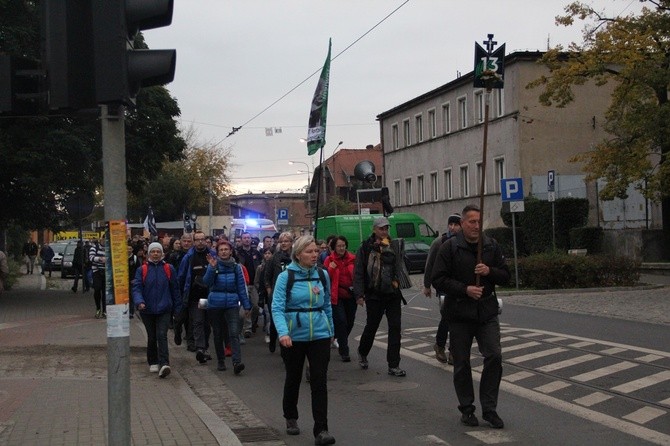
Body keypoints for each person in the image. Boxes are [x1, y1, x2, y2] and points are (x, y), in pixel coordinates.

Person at [431, 205, 510, 429]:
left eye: (479, 222)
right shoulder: (450, 247)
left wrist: (489, 272)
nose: (476, 226)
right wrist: (465, 289)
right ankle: (467, 408)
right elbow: (439, 278)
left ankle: (490, 409)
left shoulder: (491, 246)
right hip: (459, 314)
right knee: (462, 362)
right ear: (463, 223)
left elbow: (506, 275)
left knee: (494, 356)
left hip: (486, 312)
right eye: (472, 222)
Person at [272, 236, 335, 445]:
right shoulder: (285, 277)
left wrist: (331, 330)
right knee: (293, 376)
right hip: (293, 335)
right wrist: (283, 333)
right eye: (309, 252)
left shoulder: (322, 274)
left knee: (319, 380)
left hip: (319, 334)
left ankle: (322, 429)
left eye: (316, 251)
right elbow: (277, 307)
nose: (315, 255)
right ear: (298, 254)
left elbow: (326, 305)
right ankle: (291, 416)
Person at [353, 216, 407, 377]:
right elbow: (359, 272)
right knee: (372, 326)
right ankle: (363, 351)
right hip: (374, 295)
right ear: (374, 229)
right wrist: (359, 294)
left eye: (386, 228)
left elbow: (402, 265)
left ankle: (393, 365)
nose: (384, 231)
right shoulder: (366, 247)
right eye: (381, 228)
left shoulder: (393, 245)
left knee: (395, 328)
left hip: (392, 294)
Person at [132, 242, 182, 378]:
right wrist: (139, 302)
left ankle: (165, 363)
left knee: (162, 335)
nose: (155, 254)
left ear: (162, 254)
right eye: (153, 252)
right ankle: (153, 361)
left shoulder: (168, 268)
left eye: (158, 252)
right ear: (148, 254)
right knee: (152, 337)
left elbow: (175, 289)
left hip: (164, 308)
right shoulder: (142, 270)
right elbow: (137, 288)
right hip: (147, 310)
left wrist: (178, 308)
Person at [203, 239, 251, 374]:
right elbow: (206, 282)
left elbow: (241, 288)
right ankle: (221, 360)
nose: (224, 252)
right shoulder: (213, 265)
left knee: (234, 333)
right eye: (221, 250)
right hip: (215, 304)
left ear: (231, 251)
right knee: (217, 333)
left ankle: (237, 362)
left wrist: (246, 305)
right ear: (217, 252)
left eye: (226, 249)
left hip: (232, 303)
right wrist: (211, 268)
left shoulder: (236, 267)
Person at [423, 213, 462, 364]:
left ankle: (453, 351)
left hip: (459, 286)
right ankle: (439, 346)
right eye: (450, 224)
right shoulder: (439, 242)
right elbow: (429, 264)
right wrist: (427, 285)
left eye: (456, 225)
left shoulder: (464, 242)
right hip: (443, 285)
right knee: (447, 317)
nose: (452, 227)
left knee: (458, 320)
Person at [178, 230, 215, 363]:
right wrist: (182, 295)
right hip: (194, 296)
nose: (200, 241)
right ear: (194, 241)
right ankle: (200, 348)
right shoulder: (188, 257)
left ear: (206, 240)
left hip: (209, 296)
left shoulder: (212, 255)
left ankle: (205, 347)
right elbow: (181, 277)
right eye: (197, 239)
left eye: (202, 239)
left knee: (206, 324)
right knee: (198, 321)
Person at [325, 235, 357, 362]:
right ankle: (344, 350)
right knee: (341, 321)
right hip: (336, 296)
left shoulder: (353, 259)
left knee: (350, 322)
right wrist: (331, 269)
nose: (341, 248)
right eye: (339, 246)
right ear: (334, 247)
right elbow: (325, 277)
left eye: (343, 245)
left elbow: (358, 275)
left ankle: (339, 337)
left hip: (351, 295)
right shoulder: (329, 260)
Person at [264, 232, 293, 353]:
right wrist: (270, 291)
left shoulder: (295, 257)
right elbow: (267, 276)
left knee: (288, 320)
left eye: (286, 241)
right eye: (282, 242)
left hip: (291, 293)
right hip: (276, 293)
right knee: (276, 319)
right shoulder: (274, 258)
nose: (284, 244)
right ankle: (273, 338)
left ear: (291, 243)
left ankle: (286, 347)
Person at [236, 231, 262, 338]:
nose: (247, 239)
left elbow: (260, 266)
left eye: (248, 237)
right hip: (243, 284)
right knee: (245, 307)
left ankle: (252, 321)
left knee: (255, 306)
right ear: (241, 240)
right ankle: (247, 328)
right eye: (244, 238)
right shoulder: (237, 253)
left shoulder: (256, 253)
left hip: (254, 283)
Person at [172, 233, 192, 346]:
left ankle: (190, 341)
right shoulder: (175, 256)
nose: (186, 243)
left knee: (190, 318)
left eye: (189, 241)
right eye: (184, 241)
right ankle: (177, 331)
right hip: (178, 289)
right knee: (179, 317)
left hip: (190, 289)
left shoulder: (193, 255)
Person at [89, 237, 107, 319]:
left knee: (105, 292)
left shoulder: (109, 248)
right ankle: (98, 308)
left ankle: (104, 311)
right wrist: (100, 258)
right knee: (97, 289)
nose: (105, 241)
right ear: (101, 240)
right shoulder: (94, 248)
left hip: (106, 272)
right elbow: (91, 258)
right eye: (104, 239)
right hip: (97, 271)